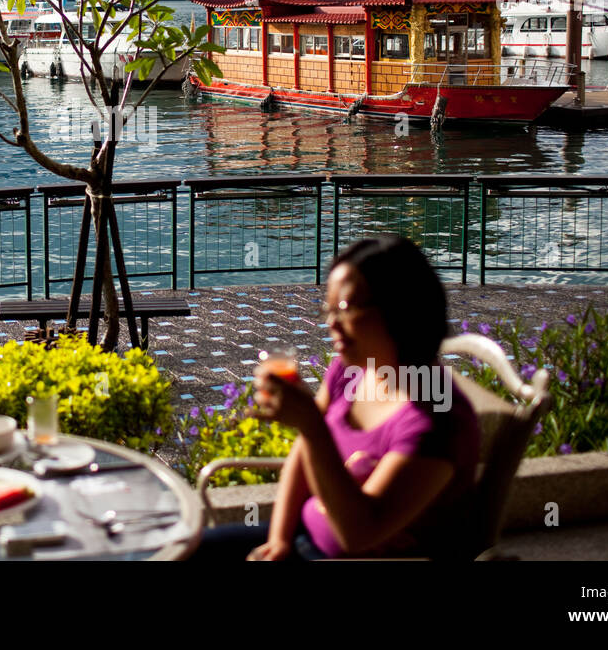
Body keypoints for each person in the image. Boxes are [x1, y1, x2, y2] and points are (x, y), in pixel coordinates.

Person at [193, 235, 480, 560]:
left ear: (399, 307)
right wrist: (280, 540)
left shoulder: (437, 420)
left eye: (345, 307)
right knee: (180, 550)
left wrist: (313, 427)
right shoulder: (350, 371)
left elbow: (359, 533)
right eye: (328, 309)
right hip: (301, 536)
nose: (331, 323)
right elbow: (302, 456)